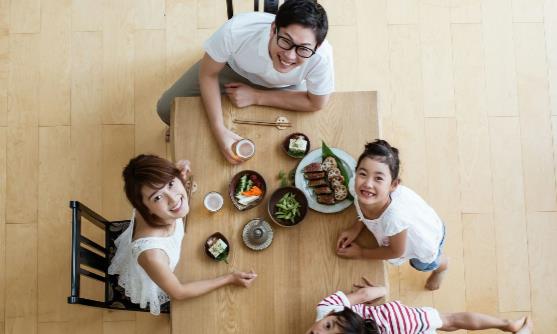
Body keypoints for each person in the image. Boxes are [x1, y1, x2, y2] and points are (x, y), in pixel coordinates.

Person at [157, 0, 333, 164]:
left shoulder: (322, 57)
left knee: (290, 139)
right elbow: (208, 75)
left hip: (286, 87)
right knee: (166, 108)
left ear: (317, 47)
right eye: (285, 41)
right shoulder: (236, 30)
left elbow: (316, 102)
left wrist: (257, 97)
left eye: (303, 49)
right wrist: (219, 130)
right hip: (233, 70)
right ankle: (182, 126)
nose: (290, 56)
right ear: (273, 29)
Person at [108, 154, 257, 315]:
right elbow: (178, 292)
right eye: (157, 197)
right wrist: (230, 278)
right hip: (156, 274)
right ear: (145, 208)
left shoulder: (154, 201)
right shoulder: (152, 256)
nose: (173, 199)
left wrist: (178, 175)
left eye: (171, 184)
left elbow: (165, 186)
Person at [336, 140, 447, 290]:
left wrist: (361, 253)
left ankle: (442, 267)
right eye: (362, 174)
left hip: (426, 238)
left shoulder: (395, 219)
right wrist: (356, 227)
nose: (367, 183)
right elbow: (363, 207)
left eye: (378, 178)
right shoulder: (356, 187)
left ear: (394, 185)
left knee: (423, 263)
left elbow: (396, 251)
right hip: (402, 226)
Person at [306, 277, 533, 334]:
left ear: (334, 314)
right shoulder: (327, 306)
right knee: (450, 319)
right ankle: (507, 324)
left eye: (327, 327)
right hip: (397, 316)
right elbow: (365, 294)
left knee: (446, 324)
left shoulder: (327, 307)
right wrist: (382, 290)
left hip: (402, 325)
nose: (317, 331)